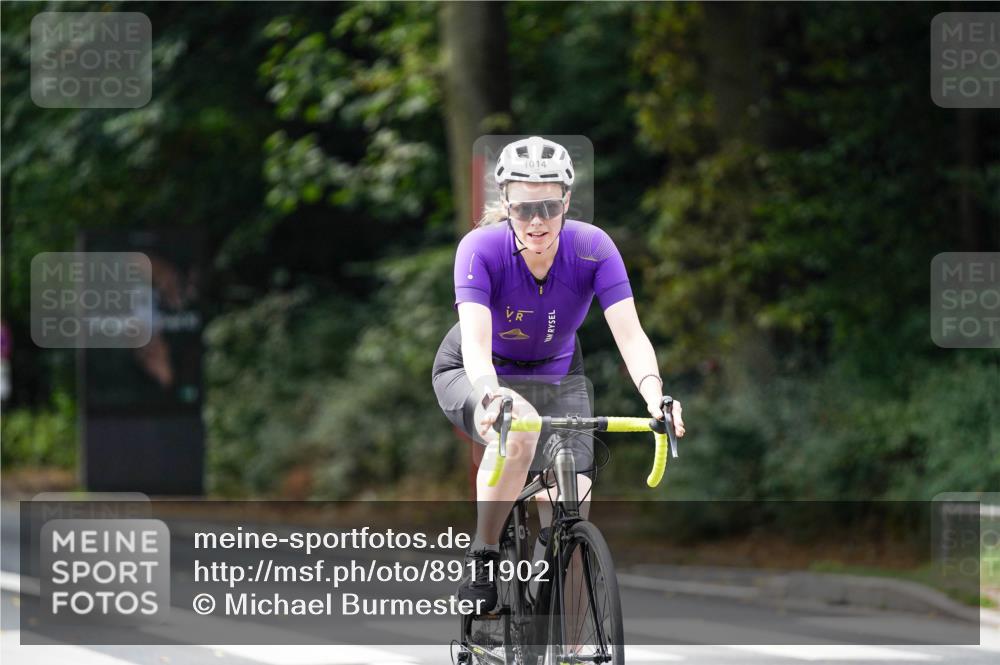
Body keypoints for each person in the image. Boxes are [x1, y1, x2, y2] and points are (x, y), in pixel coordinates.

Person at [431, 136, 686, 612]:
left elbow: (630, 335)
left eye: (549, 206)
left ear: (566, 200)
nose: (537, 221)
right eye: (524, 209)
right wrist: (491, 396)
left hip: (558, 371)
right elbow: (476, 346)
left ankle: (560, 634)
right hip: (476, 369)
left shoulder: (593, 248)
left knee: (573, 499)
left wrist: (655, 397)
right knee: (520, 434)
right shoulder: (479, 249)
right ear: (505, 202)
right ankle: (485, 555)